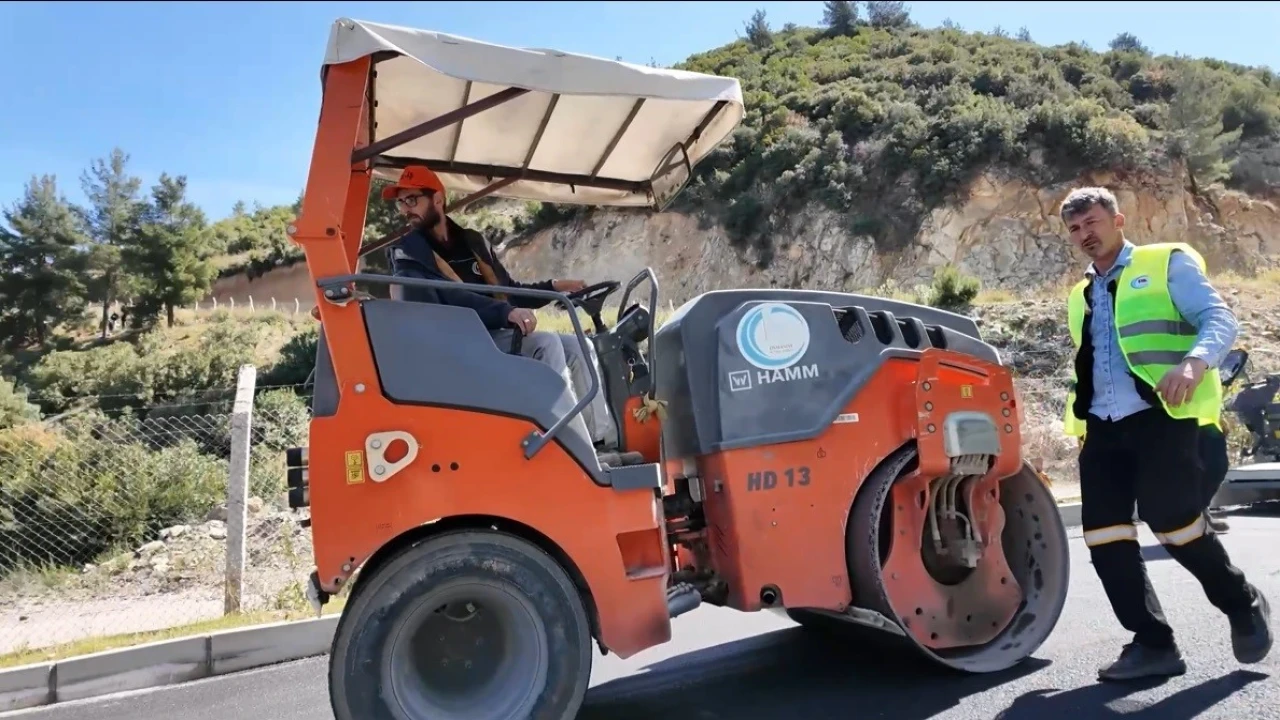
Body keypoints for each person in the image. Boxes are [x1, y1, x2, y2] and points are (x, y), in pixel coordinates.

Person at [1058, 186, 1270, 682]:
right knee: (1104, 537)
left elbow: (1219, 319)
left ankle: (1241, 602)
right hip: (1102, 427)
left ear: (1118, 220)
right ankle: (1153, 643)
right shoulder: (1079, 295)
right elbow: (1089, 364)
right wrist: (1081, 430)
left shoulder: (1164, 264)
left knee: (1173, 522)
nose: (1085, 234)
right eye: (1075, 228)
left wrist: (1194, 364)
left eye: (1092, 222)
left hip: (1162, 415)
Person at [379, 165, 617, 448]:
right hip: (461, 342)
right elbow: (450, 296)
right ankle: (564, 447)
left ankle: (600, 442)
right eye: (401, 203)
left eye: (412, 200)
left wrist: (553, 287)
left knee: (580, 346)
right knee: (546, 344)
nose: (405, 210)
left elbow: (508, 290)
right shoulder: (407, 253)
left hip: (495, 334)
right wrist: (505, 313)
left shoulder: (472, 242)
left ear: (438, 199)